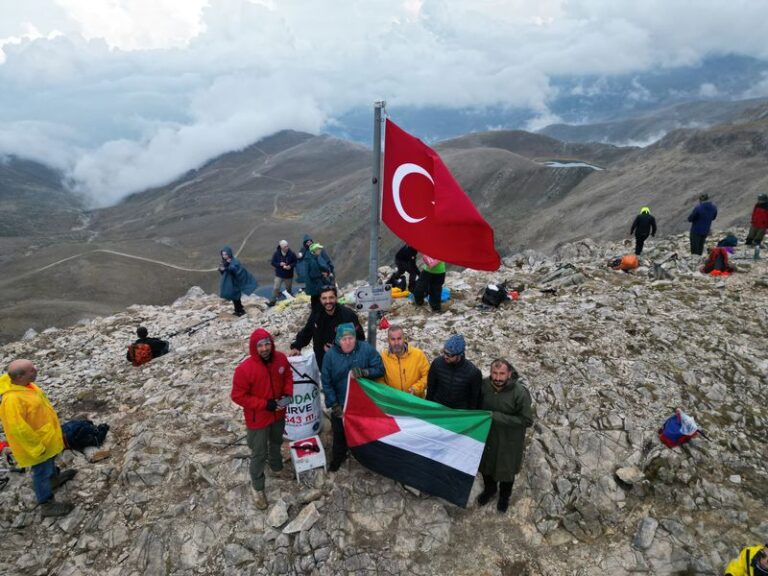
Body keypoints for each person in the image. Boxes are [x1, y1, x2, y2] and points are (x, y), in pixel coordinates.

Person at [0, 360, 76, 517]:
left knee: (49, 463)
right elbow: (18, 429)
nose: (36, 370)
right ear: (20, 376)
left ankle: (53, 479)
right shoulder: (12, 400)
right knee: (41, 471)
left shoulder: (26, 385)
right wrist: (36, 448)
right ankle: (46, 503)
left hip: (45, 438)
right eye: (31, 370)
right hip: (35, 445)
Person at [230, 328, 293, 510]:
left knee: (275, 442)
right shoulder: (244, 369)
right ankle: (257, 487)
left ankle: (277, 467)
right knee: (258, 453)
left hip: (278, 413)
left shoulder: (281, 359)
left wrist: (288, 393)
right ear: (254, 348)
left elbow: (287, 375)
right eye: (260, 345)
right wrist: (265, 404)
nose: (265, 348)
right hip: (258, 418)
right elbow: (238, 396)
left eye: (267, 343)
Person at [321, 323, 384, 471]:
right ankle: (338, 457)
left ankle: (368, 457)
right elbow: (326, 382)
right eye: (344, 339)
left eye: (351, 338)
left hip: (363, 401)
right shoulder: (330, 356)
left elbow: (380, 369)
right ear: (337, 340)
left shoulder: (366, 349)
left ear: (355, 338)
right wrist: (334, 404)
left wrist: (365, 372)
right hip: (341, 402)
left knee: (365, 431)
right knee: (339, 434)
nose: (348, 342)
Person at [476, 359, 534, 513]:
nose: (498, 378)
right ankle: (490, 491)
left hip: (509, 442)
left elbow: (527, 420)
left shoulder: (520, 393)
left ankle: (504, 497)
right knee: (486, 467)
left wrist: (497, 417)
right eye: (494, 373)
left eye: (502, 374)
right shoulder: (484, 385)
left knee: (506, 472)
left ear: (509, 373)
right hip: (487, 437)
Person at [289, 285, 365, 369]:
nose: (328, 301)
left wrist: (340, 348)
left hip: (345, 362)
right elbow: (307, 331)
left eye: (331, 297)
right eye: (324, 298)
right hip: (323, 362)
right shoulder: (316, 314)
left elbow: (360, 338)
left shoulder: (347, 315)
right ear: (320, 300)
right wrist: (296, 346)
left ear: (336, 298)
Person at [425, 335, 482, 409]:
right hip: (438, 407)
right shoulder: (437, 363)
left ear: (459, 355)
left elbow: (474, 398)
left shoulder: (473, 372)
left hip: (458, 412)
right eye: (444, 352)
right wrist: (428, 406)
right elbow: (431, 388)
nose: (445, 356)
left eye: (449, 355)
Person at [377, 325, 429, 397]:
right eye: (393, 339)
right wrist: (389, 392)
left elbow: (427, 375)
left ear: (404, 338)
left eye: (399, 339)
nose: (396, 343)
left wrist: (416, 389)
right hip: (394, 401)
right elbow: (379, 379)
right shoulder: (383, 357)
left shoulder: (418, 355)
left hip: (415, 400)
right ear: (388, 340)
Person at [218, 246, 258, 316]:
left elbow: (234, 269)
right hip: (229, 282)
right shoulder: (224, 261)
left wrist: (226, 267)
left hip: (235, 281)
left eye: (226, 254)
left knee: (236, 295)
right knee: (234, 296)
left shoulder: (234, 261)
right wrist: (222, 269)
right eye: (223, 255)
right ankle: (238, 309)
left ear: (229, 254)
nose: (224, 256)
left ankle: (239, 310)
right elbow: (223, 271)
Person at [268, 240, 297, 306]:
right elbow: (273, 263)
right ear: (281, 247)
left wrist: (290, 266)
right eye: (285, 247)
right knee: (276, 288)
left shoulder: (292, 253)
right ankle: (272, 302)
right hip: (279, 275)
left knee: (288, 289)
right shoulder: (276, 253)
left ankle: (289, 301)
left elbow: (295, 262)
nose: (286, 248)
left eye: (287, 246)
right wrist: (279, 264)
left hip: (288, 275)